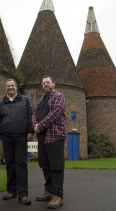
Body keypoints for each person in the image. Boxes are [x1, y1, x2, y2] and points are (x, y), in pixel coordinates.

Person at [0, 79, 34, 205]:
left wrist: (30, 131)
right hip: (6, 137)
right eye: (8, 86)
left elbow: (30, 116)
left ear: (16, 87)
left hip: (21, 137)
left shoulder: (25, 100)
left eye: (12, 86)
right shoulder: (1, 104)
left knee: (21, 164)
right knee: (9, 164)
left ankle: (23, 194)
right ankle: (12, 191)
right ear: (5, 88)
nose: (10, 87)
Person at [32, 76, 67, 209]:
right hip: (42, 137)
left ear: (53, 83)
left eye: (48, 82)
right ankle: (49, 191)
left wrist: (39, 126)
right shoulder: (40, 100)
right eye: (44, 83)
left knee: (56, 167)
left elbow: (55, 113)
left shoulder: (59, 96)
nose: (46, 84)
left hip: (54, 136)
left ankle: (58, 195)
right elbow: (34, 114)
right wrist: (35, 124)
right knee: (45, 165)